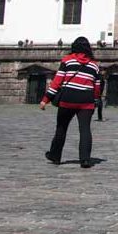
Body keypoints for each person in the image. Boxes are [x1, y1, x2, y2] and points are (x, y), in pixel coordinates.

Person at [40, 37, 102, 168]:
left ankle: (55, 156)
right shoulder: (94, 65)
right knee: (85, 130)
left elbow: (57, 81)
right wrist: (95, 100)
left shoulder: (67, 61)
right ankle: (85, 159)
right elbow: (97, 87)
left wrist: (46, 99)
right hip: (86, 101)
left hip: (68, 99)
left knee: (61, 128)